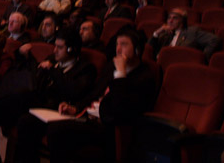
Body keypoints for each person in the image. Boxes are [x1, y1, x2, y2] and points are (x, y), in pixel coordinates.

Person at [14, 27, 155, 163]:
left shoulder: (144, 76)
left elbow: (120, 109)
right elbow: (94, 93)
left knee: (57, 130)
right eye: (117, 44)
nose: (118, 49)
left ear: (137, 49)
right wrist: (75, 107)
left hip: (108, 127)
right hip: (88, 115)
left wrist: (121, 75)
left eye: (123, 44)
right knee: (26, 121)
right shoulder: (111, 67)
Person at [0, 28, 97, 163]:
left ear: (71, 49)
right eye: (55, 46)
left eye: (59, 48)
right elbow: (35, 78)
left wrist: (53, 71)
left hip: (53, 109)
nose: (54, 51)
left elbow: (73, 91)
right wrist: (25, 57)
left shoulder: (86, 69)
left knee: (24, 118)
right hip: (34, 101)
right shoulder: (52, 59)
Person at [148, 8, 222, 61]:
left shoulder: (192, 32)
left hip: (182, 64)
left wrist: (201, 58)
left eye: (175, 18)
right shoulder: (165, 33)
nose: (170, 21)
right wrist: (157, 33)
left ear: (183, 20)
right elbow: (149, 48)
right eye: (169, 18)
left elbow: (214, 40)